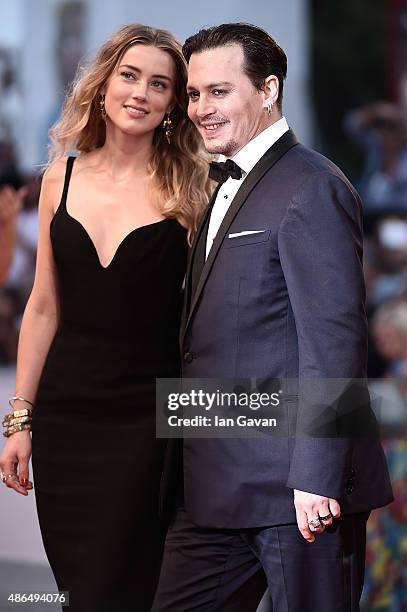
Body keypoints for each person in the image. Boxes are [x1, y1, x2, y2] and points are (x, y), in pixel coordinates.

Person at [152, 23, 394, 612]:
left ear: (268, 90)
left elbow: (334, 340)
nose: (201, 109)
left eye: (219, 92)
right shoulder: (217, 184)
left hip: (298, 492)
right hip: (217, 486)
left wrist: (317, 474)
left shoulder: (311, 185)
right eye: (194, 94)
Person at [0, 23, 209, 612]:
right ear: (102, 84)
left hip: (148, 419)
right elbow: (42, 305)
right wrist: (20, 418)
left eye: (160, 84)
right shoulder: (56, 181)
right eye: (130, 75)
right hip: (67, 419)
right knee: (77, 588)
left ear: (173, 103)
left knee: (125, 585)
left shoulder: (191, 188)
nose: (141, 93)